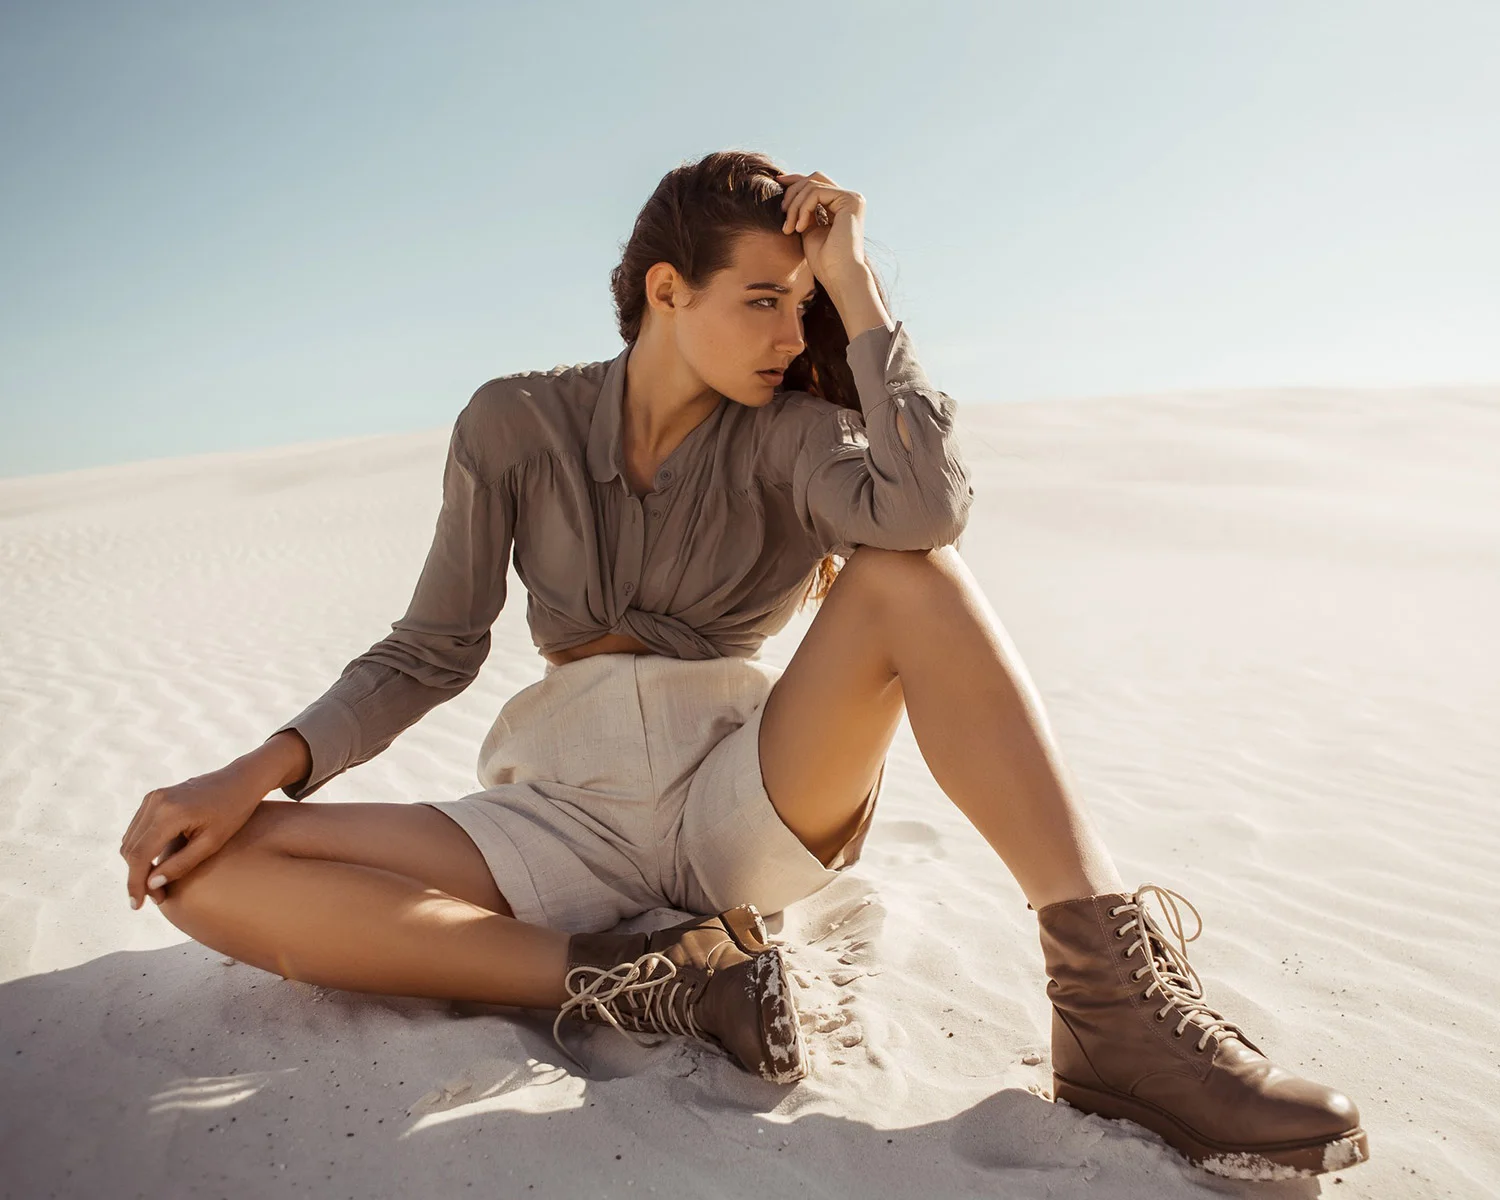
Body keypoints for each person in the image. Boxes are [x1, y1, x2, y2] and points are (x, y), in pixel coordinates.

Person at [119, 150, 1367, 1179]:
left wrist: (859, 286)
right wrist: (254, 772)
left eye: (801, 304)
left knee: (905, 577)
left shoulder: (796, 436)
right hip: (553, 813)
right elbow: (432, 649)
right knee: (204, 869)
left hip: (739, 795)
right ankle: (648, 978)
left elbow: (925, 508)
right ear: (668, 290)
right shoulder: (516, 422)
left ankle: (1109, 1008)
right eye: (761, 299)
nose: (789, 333)